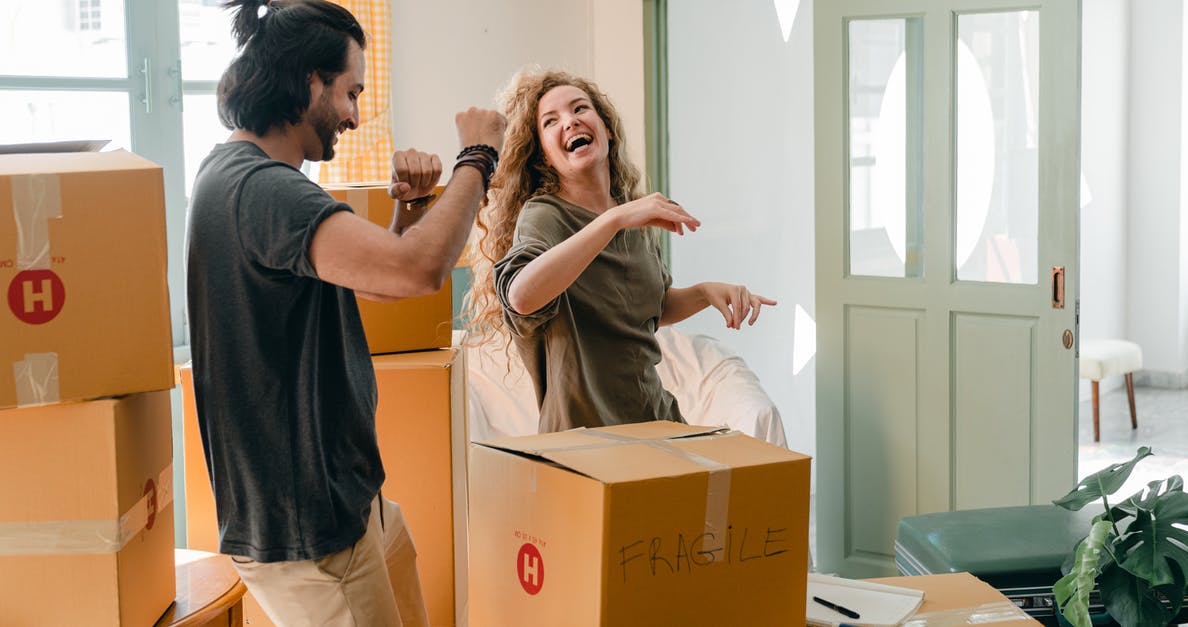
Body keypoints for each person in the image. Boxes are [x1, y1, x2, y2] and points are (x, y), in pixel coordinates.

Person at [185, 1, 504, 625]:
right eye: (351, 92)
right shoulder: (268, 190)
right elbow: (419, 271)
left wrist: (408, 215)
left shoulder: (238, 177)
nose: (356, 115)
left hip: (349, 503)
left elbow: (385, 284)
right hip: (313, 533)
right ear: (310, 82)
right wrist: (477, 160)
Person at [465, 69, 774, 434]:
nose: (571, 121)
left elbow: (649, 307)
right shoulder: (545, 215)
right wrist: (614, 220)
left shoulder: (631, 215)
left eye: (580, 108)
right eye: (551, 121)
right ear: (544, 155)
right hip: (584, 438)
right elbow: (521, 295)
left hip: (652, 417)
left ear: (606, 128)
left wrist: (705, 292)